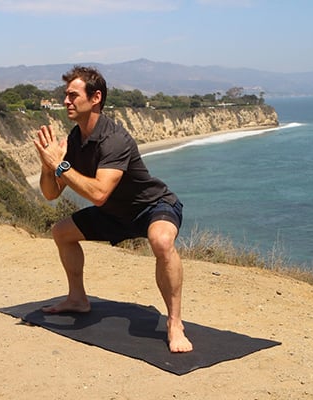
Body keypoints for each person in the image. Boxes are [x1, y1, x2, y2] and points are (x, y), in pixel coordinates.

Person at [33, 65, 193, 353]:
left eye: (72, 95)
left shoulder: (114, 139)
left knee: (162, 241)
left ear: (95, 98)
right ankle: (77, 299)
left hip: (152, 206)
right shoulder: (73, 140)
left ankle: (174, 322)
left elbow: (99, 193)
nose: (66, 101)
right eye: (65, 96)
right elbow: (51, 193)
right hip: (114, 213)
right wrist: (47, 165)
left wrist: (60, 164)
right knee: (61, 232)